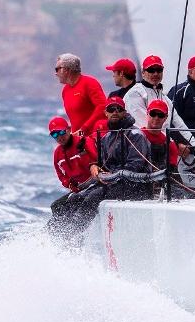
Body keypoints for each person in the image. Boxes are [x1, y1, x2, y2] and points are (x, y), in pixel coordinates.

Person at [64, 96, 153, 231]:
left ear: (124, 112)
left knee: (93, 196)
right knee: (75, 197)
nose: (115, 112)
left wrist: (110, 176)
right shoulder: (107, 137)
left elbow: (135, 166)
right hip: (113, 182)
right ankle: (61, 235)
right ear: (106, 113)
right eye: (111, 109)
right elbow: (101, 163)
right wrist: (93, 166)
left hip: (136, 185)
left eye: (119, 109)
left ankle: (74, 235)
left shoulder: (136, 135)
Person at [47, 116, 98, 231]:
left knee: (75, 201)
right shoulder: (57, 153)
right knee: (56, 206)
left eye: (61, 132)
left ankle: (76, 233)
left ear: (69, 130)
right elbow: (61, 175)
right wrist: (69, 184)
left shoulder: (83, 142)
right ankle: (53, 237)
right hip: (79, 188)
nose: (59, 137)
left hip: (95, 183)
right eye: (54, 134)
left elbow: (98, 160)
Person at [55, 53, 107, 136]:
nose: (56, 73)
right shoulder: (65, 90)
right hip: (79, 139)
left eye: (57, 69)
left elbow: (102, 106)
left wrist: (84, 129)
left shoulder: (89, 83)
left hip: (96, 137)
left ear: (66, 70)